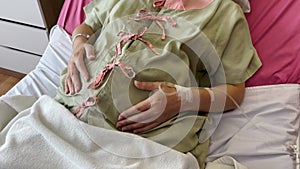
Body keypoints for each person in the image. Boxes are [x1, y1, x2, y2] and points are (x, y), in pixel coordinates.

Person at [55, 0, 261, 168]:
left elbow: (235, 92)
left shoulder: (225, 14)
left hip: (142, 142)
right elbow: (88, 24)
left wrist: (183, 99)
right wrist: (79, 43)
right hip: (63, 114)